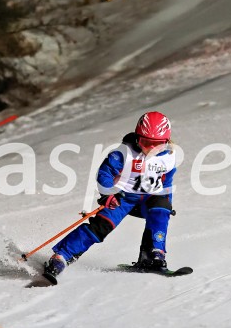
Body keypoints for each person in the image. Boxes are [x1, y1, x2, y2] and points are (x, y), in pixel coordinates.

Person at [43, 111, 177, 282]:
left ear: (166, 141)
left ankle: (154, 255)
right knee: (101, 226)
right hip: (122, 198)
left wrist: (168, 203)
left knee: (160, 210)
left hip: (149, 198)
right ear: (137, 138)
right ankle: (61, 257)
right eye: (146, 142)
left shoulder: (169, 157)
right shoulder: (124, 152)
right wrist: (108, 193)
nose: (151, 149)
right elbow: (104, 173)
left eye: (157, 145)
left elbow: (166, 183)